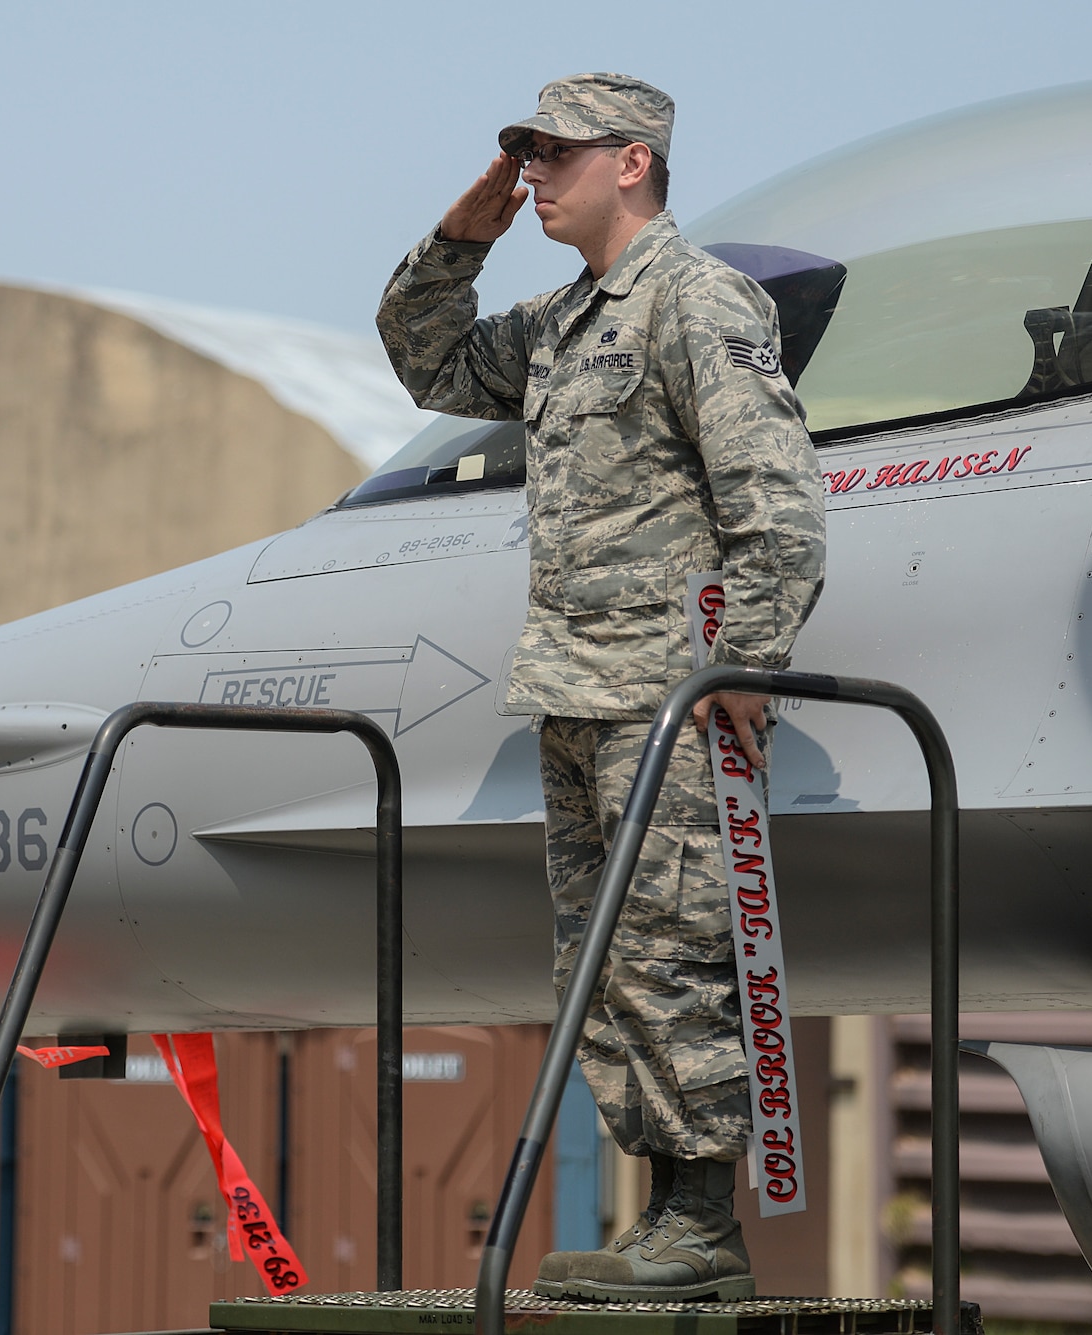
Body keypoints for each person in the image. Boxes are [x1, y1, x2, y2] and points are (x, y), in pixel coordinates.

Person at [377, 73, 825, 1302]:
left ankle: (702, 1225)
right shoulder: (559, 320)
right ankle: (661, 1219)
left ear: (631, 163)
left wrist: (743, 661)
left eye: (554, 155)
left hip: (671, 695)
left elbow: (773, 499)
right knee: (604, 962)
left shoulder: (696, 298)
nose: (533, 175)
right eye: (522, 155)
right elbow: (426, 361)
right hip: (575, 690)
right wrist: (463, 232)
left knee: (672, 948)